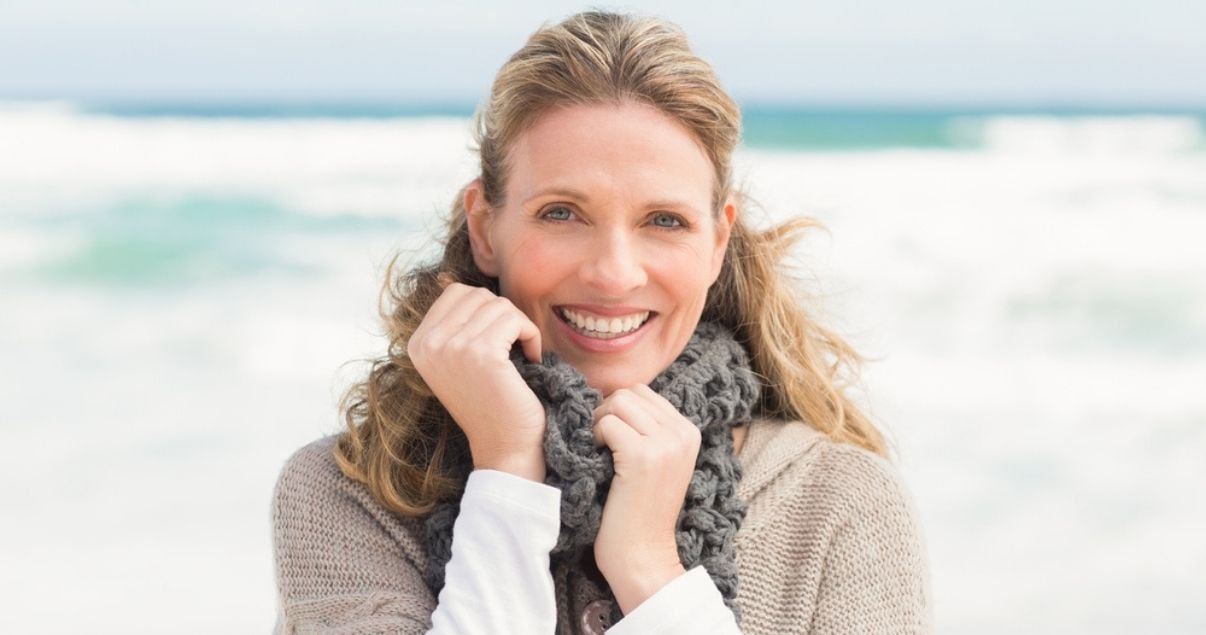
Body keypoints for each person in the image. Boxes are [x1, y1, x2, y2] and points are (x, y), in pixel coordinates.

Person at [272, 10, 931, 634]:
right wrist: (506, 468)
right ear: (484, 227)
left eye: (664, 221)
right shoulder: (349, 493)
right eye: (561, 213)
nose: (614, 274)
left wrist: (649, 569)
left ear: (716, 244)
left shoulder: (840, 502)